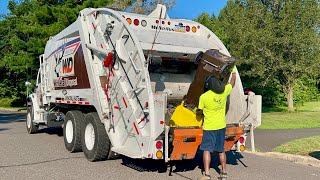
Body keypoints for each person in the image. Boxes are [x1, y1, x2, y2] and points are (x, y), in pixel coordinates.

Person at [197, 68, 236, 180]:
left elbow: (199, 111)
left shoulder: (204, 97)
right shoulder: (224, 92)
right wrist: (233, 70)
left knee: (207, 150)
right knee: (221, 150)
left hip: (209, 127)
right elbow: (232, 83)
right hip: (221, 126)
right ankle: (223, 173)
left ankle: (207, 174)